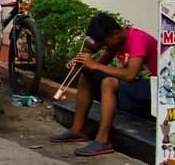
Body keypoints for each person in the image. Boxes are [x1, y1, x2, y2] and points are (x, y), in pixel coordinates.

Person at [51, 12, 158, 157]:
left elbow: (130, 74)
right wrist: (81, 63)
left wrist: (94, 65)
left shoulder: (138, 39)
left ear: (115, 33)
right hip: (132, 89)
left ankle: (102, 140)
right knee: (87, 75)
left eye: (106, 43)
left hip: (152, 90)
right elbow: (97, 66)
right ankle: (77, 130)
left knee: (109, 83)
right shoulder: (117, 41)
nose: (106, 47)